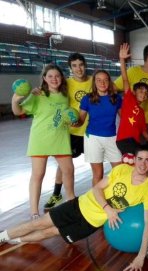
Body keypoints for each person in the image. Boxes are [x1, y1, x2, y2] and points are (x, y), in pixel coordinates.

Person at [0, 145, 148, 271]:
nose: (142, 164)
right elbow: (97, 188)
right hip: (78, 205)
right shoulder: (122, 169)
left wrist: (141, 257)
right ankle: (3, 236)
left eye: (147, 160)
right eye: (140, 159)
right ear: (134, 159)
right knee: (38, 223)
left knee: (50, 232)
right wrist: (108, 208)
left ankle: (16, 240)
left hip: (88, 224)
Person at [11, 64, 74, 219]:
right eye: (50, 76)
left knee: (69, 170)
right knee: (38, 175)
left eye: (57, 76)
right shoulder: (38, 94)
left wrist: (72, 119)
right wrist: (16, 99)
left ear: (62, 78)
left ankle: (71, 201)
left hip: (60, 139)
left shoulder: (66, 96)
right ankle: (34, 212)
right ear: (44, 78)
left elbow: (68, 115)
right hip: (40, 140)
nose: (54, 79)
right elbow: (18, 111)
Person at [45, 53, 92, 209]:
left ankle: (96, 196)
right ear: (70, 68)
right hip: (71, 132)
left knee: (96, 164)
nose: (78, 69)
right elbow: (50, 90)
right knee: (63, 166)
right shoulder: (66, 83)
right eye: (74, 65)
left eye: (81, 64)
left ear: (85, 65)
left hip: (91, 131)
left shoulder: (94, 81)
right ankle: (57, 193)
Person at [78, 70, 122, 185]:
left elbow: (124, 118)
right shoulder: (87, 99)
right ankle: (97, 201)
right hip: (93, 138)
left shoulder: (116, 98)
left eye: (105, 80)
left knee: (119, 171)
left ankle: (116, 198)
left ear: (109, 82)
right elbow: (80, 121)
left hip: (112, 137)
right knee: (98, 174)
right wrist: (72, 121)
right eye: (99, 80)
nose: (102, 83)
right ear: (94, 82)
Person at [116, 43, 148, 165]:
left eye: (146, 92)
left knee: (142, 160)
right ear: (134, 92)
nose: (144, 93)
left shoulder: (141, 112)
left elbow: (143, 131)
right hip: (125, 140)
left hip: (134, 142)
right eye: (141, 90)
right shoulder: (129, 99)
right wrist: (122, 59)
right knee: (132, 163)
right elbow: (125, 79)